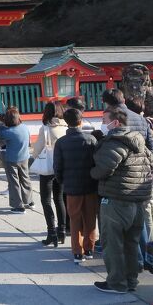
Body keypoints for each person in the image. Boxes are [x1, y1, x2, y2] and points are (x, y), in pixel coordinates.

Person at [90, 107, 153, 294]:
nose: (102, 123)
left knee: (113, 244)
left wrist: (92, 172)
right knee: (131, 243)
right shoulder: (139, 141)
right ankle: (131, 280)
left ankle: (117, 283)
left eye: (104, 119)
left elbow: (102, 169)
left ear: (115, 122)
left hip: (117, 199)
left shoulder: (114, 142)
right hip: (138, 200)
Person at [54, 108, 98, 261]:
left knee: (74, 220)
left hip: (72, 187)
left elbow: (57, 167)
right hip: (90, 185)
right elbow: (96, 162)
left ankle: (77, 251)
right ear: (81, 121)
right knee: (90, 219)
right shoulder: (91, 139)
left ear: (66, 122)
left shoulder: (61, 142)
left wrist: (63, 181)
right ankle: (89, 248)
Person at [32, 101, 68, 247]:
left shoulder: (46, 128)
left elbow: (37, 150)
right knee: (59, 199)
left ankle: (51, 232)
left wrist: (36, 158)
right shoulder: (66, 126)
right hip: (63, 167)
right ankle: (62, 231)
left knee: (46, 200)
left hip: (48, 168)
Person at [0, 107, 33, 214]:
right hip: (25, 157)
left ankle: (18, 206)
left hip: (12, 159)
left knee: (14, 182)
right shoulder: (24, 127)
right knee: (25, 179)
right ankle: (29, 201)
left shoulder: (8, 132)